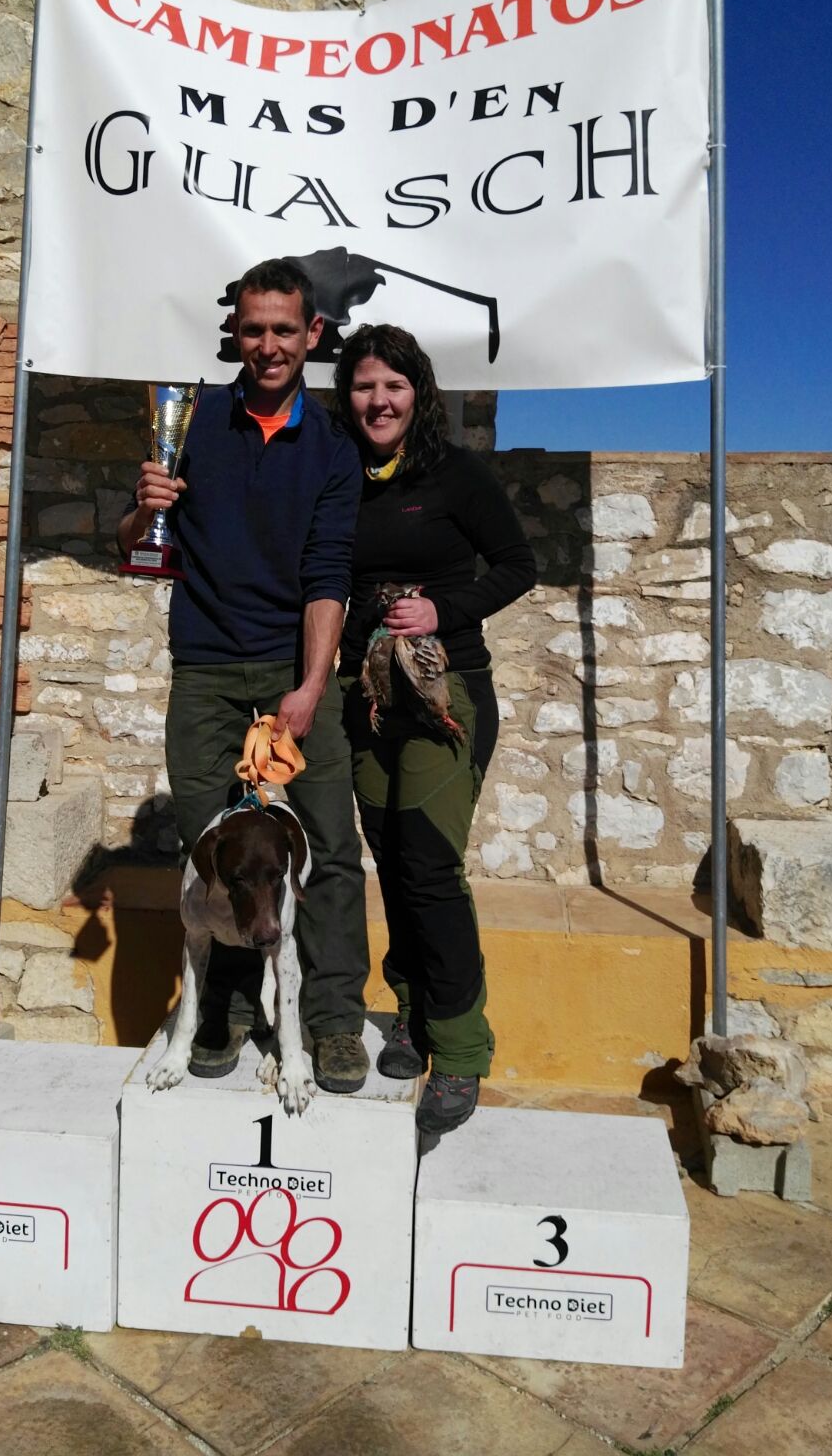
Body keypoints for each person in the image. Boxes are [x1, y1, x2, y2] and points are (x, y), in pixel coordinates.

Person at [118, 259, 370, 1093]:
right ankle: (224, 1006)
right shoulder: (192, 422)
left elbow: (328, 575)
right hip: (205, 672)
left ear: (312, 334)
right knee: (211, 855)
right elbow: (131, 547)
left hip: (291, 671)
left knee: (327, 847)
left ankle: (333, 1020)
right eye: (254, 329)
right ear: (236, 332)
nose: (269, 346)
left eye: (284, 330)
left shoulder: (332, 447)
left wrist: (310, 686)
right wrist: (144, 507)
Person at [334, 324, 536, 1134]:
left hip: (446, 695)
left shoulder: (456, 474)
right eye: (363, 386)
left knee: (428, 866)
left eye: (394, 386)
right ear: (346, 396)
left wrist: (442, 610)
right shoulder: (338, 475)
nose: (379, 401)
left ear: (419, 394)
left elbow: (518, 565)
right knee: (392, 861)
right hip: (364, 696)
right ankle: (413, 1017)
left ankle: (459, 1048)